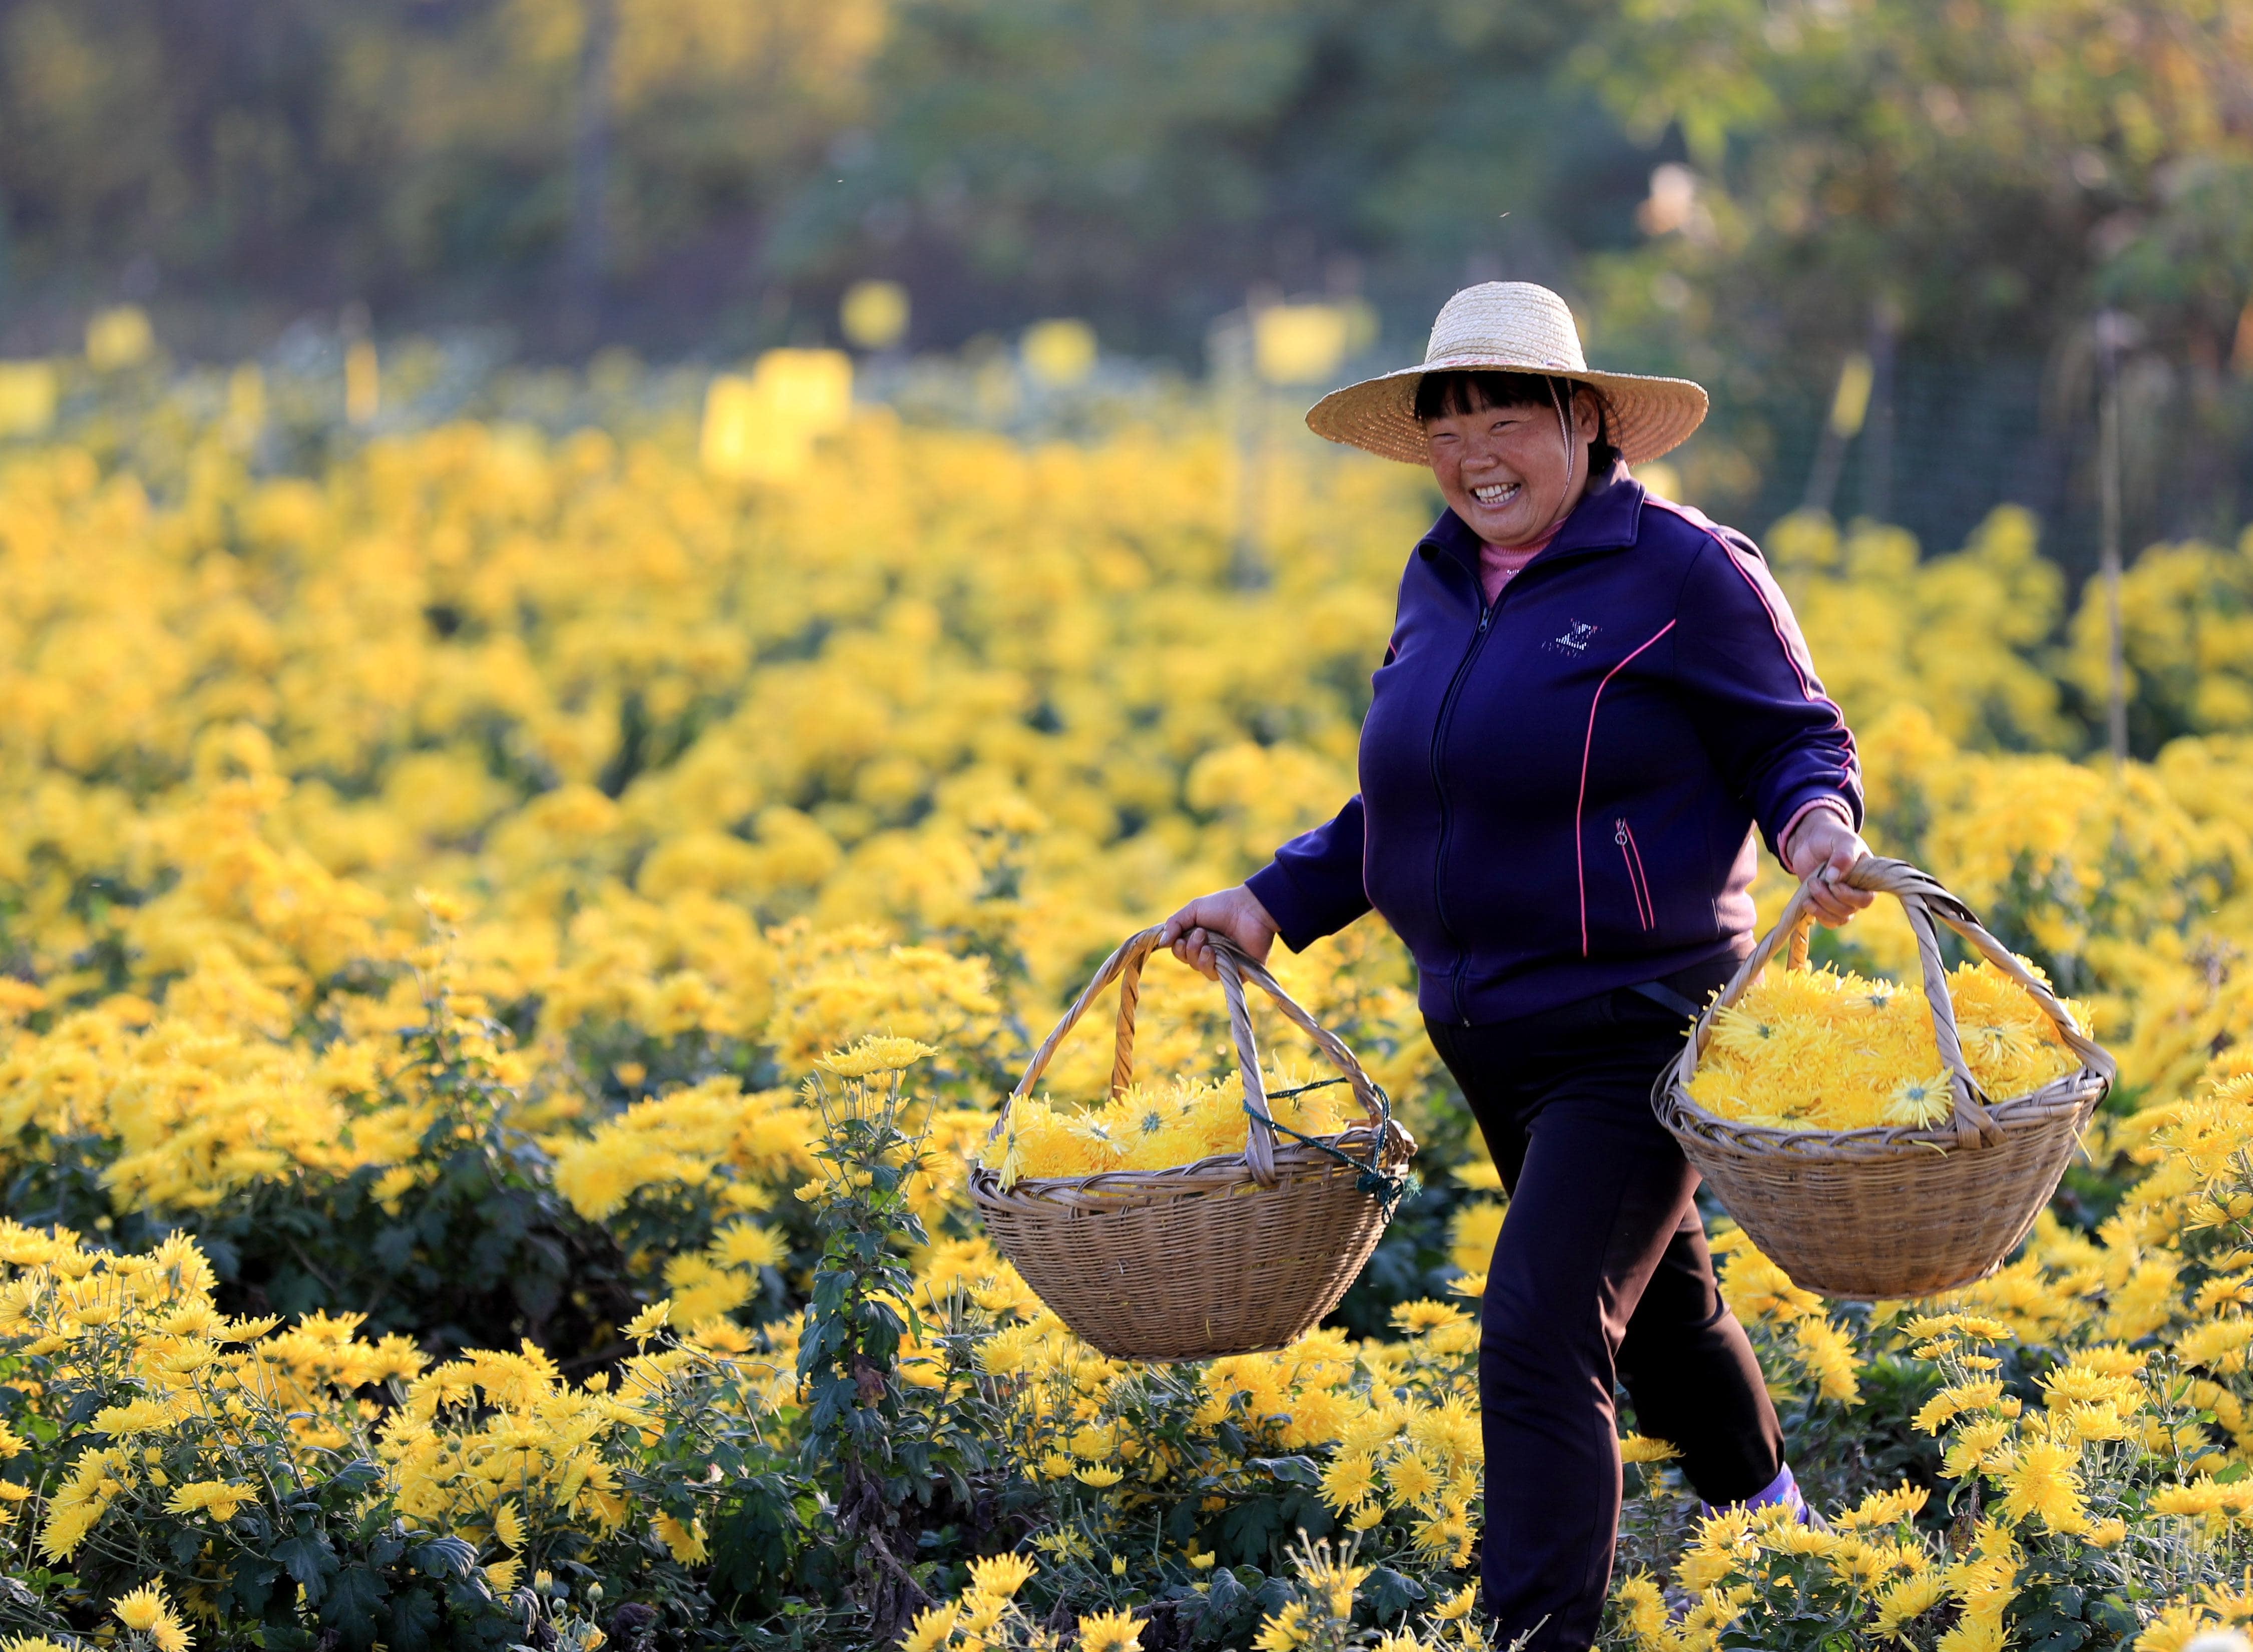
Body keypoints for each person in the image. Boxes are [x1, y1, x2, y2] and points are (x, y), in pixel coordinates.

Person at [1158, 282, 1872, 1649]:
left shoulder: (1680, 568)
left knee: (1541, 1328)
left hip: (1642, 1019)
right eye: (1447, 422)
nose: (1475, 448)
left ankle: (1531, 1633)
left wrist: (1816, 833)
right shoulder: (1434, 582)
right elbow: (1422, 797)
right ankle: (1783, 1538)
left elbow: (1793, 736)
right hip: (1486, 1029)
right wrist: (1269, 899)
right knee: (1662, 1317)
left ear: (1584, 421)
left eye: (1506, 414)